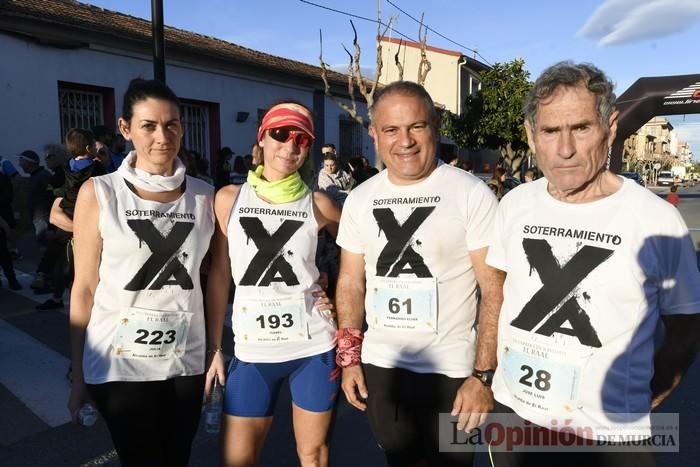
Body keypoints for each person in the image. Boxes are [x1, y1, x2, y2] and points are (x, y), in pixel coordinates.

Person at [485, 61, 700, 466]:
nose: (565, 149)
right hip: (516, 419)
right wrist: (484, 376)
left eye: (581, 128)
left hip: (611, 434)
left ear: (611, 128)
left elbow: (686, 325)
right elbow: (497, 287)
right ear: (532, 136)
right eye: (550, 131)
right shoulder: (514, 205)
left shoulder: (656, 220)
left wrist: (649, 385)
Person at [335, 81, 504, 467]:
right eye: (391, 130)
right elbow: (350, 282)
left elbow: (494, 289)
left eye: (417, 126)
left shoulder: (470, 193)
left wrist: (483, 376)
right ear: (374, 135)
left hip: (454, 371)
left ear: (435, 127)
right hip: (384, 369)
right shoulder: (361, 199)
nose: (405, 141)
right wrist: (349, 359)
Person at [67, 78, 215, 467]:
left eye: (172, 124)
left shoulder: (205, 195)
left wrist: (313, 284)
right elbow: (83, 288)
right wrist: (78, 372)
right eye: (148, 125)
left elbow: (228, 272)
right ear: (125, 128)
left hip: (185, 359)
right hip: (118, 363)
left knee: (177, 457)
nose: (162, 137)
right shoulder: (99, 193)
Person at [205, 101, 341, 467]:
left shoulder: (319, 204)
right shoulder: (228, 199)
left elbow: (364, 251)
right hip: (253, 350)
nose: (290, 146)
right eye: (280, 134)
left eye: (301, 139)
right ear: (261, 139)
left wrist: (338, 292)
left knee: (312, 456)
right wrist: (214, 347)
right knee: (238, 460)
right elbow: (220, 274)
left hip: (312, 345)